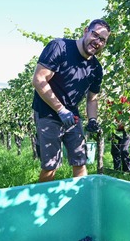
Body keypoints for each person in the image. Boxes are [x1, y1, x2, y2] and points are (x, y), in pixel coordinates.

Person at [31, 19, 111, 182]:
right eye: (95, 35)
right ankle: (44, 203)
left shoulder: (96, 68)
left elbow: (92, 99)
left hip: (71, 115)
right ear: (85, 31)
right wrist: (60, 110)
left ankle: (80, 200)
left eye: (102, 40)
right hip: (47, 111)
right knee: (51, 165)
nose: (97, 42)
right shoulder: (59, 47)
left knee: (81, 161)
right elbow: (39, 80)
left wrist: (93, 119)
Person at [110, 96, 130, 173]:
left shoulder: (126, 98)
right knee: (115, 150)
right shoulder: (111, 98)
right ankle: (117, 170)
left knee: (124, 150)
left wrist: (123, 122)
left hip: (126, 129)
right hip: (116, 129)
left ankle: (127, 171)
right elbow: (108, 113)